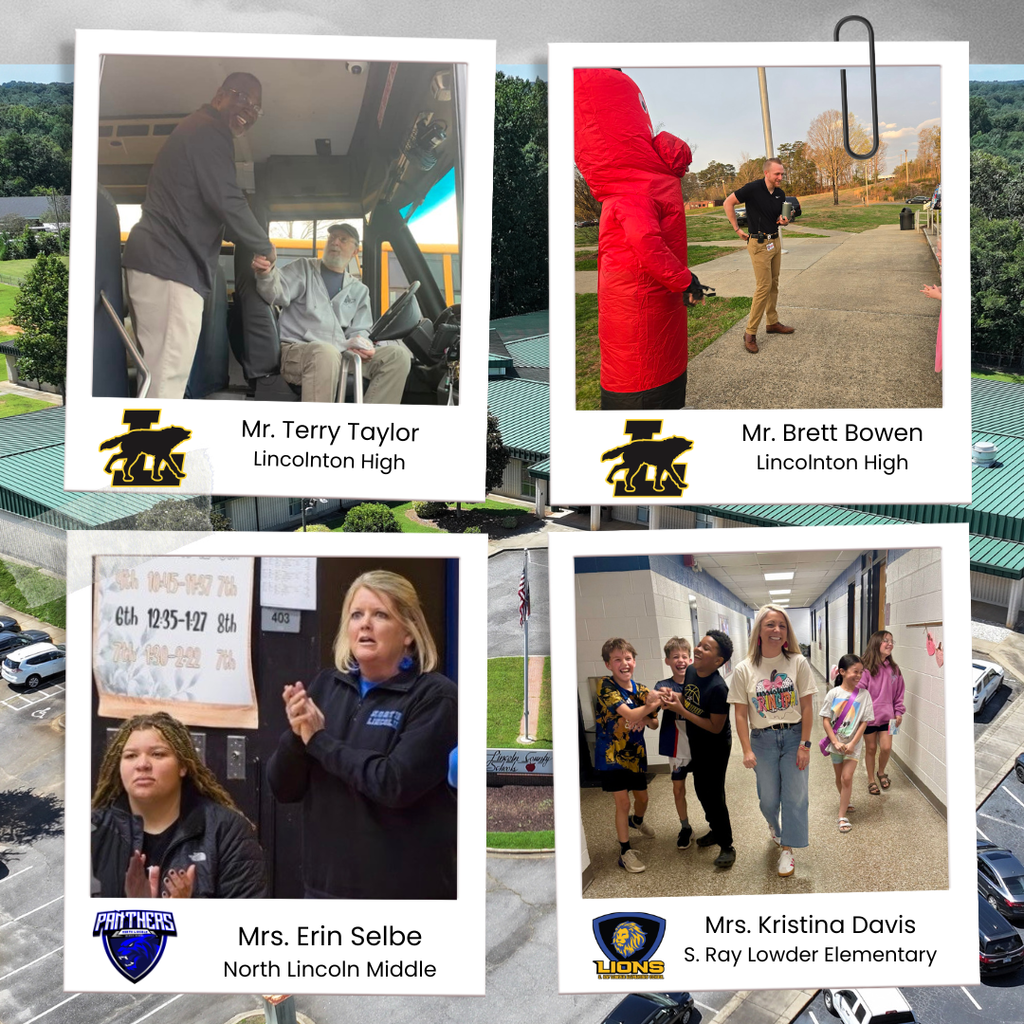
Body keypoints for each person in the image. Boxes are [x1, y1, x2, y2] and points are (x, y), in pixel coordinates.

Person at [267, 570, 456, 899]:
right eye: (357, 615)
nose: (365, 624)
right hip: (324, 893)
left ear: (409, 632)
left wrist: (319, 740)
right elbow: (283, 787)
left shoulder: (434, 697)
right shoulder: (327, 686)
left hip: (402, 899)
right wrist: (298, 734)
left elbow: (394, 783)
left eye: (380, 614)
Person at [121, 73, 277, 398]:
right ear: (219, 95)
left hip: (163, 264)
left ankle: (147, 447)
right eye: (242, 97)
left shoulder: (198, 130)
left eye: (256, 108)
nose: (248, 110)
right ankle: (151, 450)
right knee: (165, 383)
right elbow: (225, 197)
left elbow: (212, 203)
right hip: (171, 267)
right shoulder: (209, 130)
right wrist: (264, 245)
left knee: (158, 377)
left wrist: (240, 234)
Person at [574, 67, 706, 410]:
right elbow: (648, 245)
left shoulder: (634, 185)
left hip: (647, 326)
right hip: (640, 338)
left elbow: (647, 243)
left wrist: (682, 282)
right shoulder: (637, 189)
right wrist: (685, 280)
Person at [91, 712, 266, 898]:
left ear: (182, 766)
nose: (142, 764)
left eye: (157, 754)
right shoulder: (93, 832)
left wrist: (184, 916)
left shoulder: (227, 832)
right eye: (131, 755)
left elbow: (245, 922)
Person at [251, 222, 412, 403]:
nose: (335, 242)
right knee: (325, 353)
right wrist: (266, 272)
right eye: (332, 238)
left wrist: (362, 344)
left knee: (398, 356)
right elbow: (276, 293)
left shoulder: (359, 290)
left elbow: (361, 329)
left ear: (354, 252)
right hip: (300, 352)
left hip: (341, 353)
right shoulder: (303, 269)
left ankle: (370, 427)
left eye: (343, 239)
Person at [728, 605, 816, 878]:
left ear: (787, 632)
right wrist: (745, 749)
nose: (776, 630)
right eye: (770, 625)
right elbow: (740, 714)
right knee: (768, 799)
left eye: (781, 625)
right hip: (762, 739)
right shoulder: (744, 669)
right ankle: (774, 827)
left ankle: (788, 849)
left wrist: (805, 745)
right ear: (759, 632)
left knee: (795, 796)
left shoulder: (798, 663)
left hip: (793, 736)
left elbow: (808, 707)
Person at [657, 631, 736, 869]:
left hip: (715, 747)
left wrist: (681, 710)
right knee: (701, 790)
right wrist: (674, 696)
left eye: (706, 648)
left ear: (718, 661)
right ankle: (714, 830)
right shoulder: (692, 671)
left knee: (714, 794)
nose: (698, 649)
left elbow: (715, 726)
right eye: (700, 645)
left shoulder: (718, 688)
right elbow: (691, 698)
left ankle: (727, 845)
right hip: (697, 744)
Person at [593, 637, 661, 873]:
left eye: (628, 658)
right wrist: (650, 706)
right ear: (608, 664)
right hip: (611, 756)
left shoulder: (641, 690)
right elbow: (630, 715)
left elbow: (654, 724)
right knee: (622, 803)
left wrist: (646, 716)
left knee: (643, 799)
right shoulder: (605, 685)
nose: (624, 663)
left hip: (635, 755)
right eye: (617, 659)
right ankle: (624, 851)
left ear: (635, 661)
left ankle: (637, 821)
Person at [723, 158, 795, 354]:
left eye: (782, 174)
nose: (781, 177)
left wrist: (783, 220)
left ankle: (772, 323)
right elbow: (728, 202)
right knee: (763, 286)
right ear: (767, 173)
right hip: (759, 244)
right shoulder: (753, 188)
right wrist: (737, 229)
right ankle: (750, 333)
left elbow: (778, 219)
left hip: (775, 241)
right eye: (777, 174)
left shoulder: (780, 194)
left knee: (774, 283)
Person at [819, 655, 874, 833]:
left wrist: (853, 743)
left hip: (853, 745)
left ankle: (842, 815)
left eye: (861, 672)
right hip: (836, 744)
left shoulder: (864, 695)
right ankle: (846, 799)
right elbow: (826, 720)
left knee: (846, 777)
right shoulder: (833, 694)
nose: (859, 676)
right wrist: (834, 742)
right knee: (839, 777)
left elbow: (864, 722)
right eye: (855, 672)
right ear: (842, 672)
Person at [653, 637, 694, 848]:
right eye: (675, 656)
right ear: (668, 660)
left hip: (700, 743)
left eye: (684, 656)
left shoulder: (698, 682)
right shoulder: (663, 685)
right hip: (677, 745)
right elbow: (658, 704)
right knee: (678, 789)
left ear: (690, 659)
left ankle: (714, 824)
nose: (681, 660)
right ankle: (685, 826)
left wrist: (675, 697)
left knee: (707, 788)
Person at [860, 630, 906, 796]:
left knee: (886, 748)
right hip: (869, 718)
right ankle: (871, 779)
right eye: (886, 640)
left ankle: (881, 772)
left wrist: (898, 711)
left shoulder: (894, 669)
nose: (890, 644)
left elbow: (899, 692)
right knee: (871, 748)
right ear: (876, 643)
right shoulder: (864, 669)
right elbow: (857, 693)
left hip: (890, 717)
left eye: (892, 641)